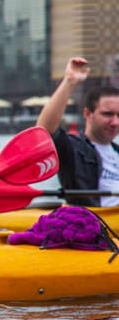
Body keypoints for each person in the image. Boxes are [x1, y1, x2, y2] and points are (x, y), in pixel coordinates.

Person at [37, 56, 119, 207]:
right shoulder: (72, 149)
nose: (115, 122)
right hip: (95, 222)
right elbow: (44, 131)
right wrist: (69, 82)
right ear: (88, 114)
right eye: (107, 114)